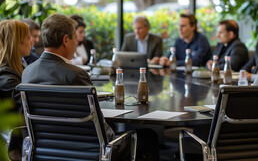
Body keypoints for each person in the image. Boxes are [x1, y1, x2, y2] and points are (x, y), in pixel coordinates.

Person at [22, 14, 159, 160]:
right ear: (66, 40)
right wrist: (113, 138)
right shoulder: (75, 74)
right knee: (149, 136)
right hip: (87, 152)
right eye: (75, 38)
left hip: (46, 151)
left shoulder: (27, 72)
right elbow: (99, 126)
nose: (76, 43)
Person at [0, 20, 32, 113]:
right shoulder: (6, 78)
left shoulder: (17, 68)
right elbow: (27, 109)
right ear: (17, 42)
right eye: (28, 38)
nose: (32, 43)